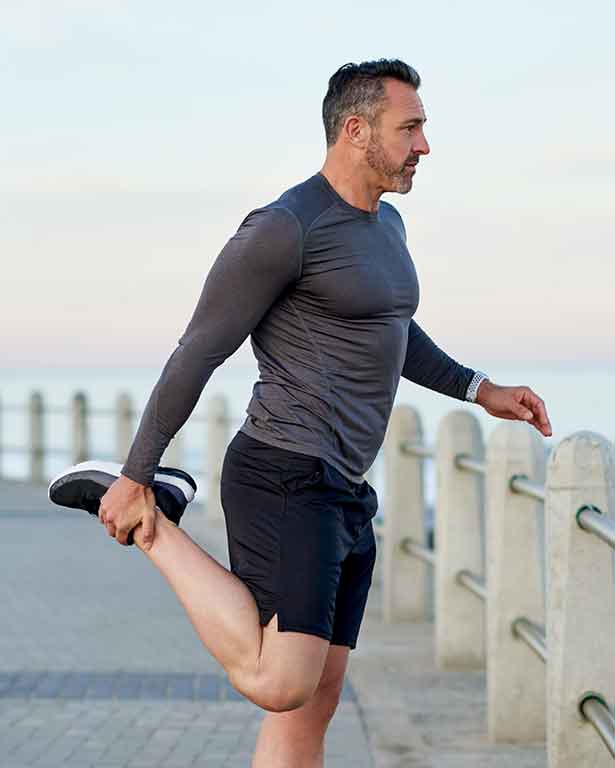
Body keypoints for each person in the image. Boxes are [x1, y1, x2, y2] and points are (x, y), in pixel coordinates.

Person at [83, 59, 553, 766]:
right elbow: (198, 350)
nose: (423, 145)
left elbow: (390, 327)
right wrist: (135, 474)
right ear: (355, 130)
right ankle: (154, 527)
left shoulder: (385, 226)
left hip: (344, 491)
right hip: (283, 474)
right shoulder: (283, 227)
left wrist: (476, 389)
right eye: (410, 127)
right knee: (279, 682)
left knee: (316, 701)